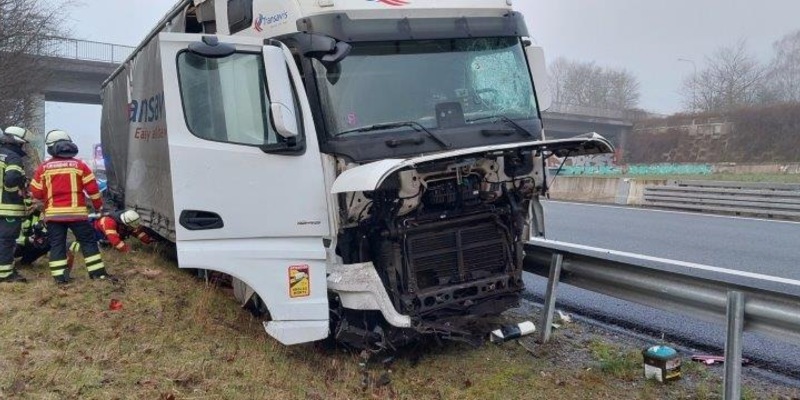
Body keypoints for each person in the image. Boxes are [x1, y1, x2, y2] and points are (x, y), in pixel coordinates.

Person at [30, 130, 111, 284]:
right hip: (77, 215)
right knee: (88, 242)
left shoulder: (44, 168)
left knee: (57, 245)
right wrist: (98, 207)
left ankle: (60, 279)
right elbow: (93, 190)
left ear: (50, 147)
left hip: (53, 216)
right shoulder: (80, 165)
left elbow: (37, 193)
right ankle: (98, 275)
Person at [0, 126, 32, 283]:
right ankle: (5, 273)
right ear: (17, 142)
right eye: (23, 144)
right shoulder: (13, 158)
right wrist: (20, 188)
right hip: (8, 208)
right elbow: (11, 180)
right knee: (6, 240)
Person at [68, 209, 154, 255]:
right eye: (131, 226)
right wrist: (129, 251)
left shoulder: (128, 222)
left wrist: (149, 240)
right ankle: (69, 247)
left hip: (102, 237)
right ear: (125, 223)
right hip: (90, 233)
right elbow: (115, 241)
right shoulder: (109, 222)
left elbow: (137, 232)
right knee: (92, 250)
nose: (133, 228)